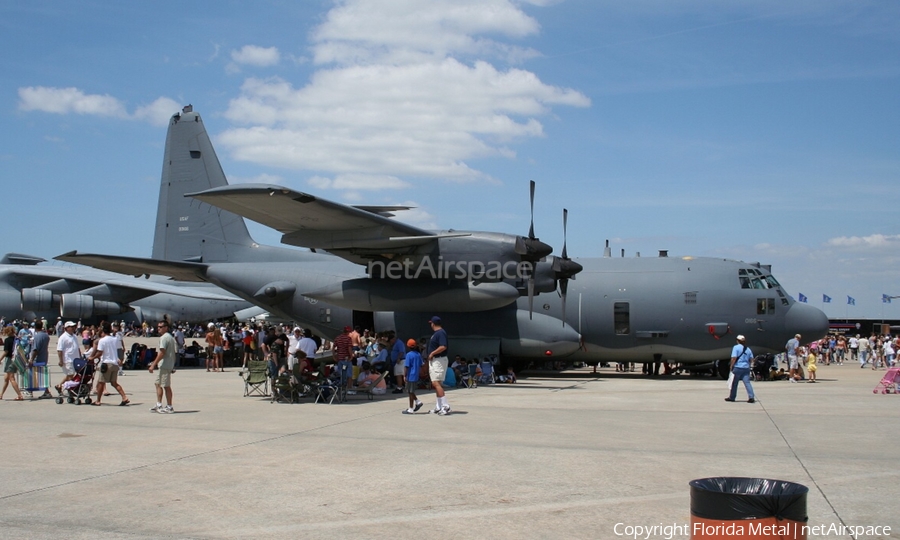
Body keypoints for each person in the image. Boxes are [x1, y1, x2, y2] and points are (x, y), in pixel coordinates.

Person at [89, 323, 129, 406]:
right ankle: (124, 397)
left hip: (106, 364)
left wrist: (92, 358)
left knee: (101, 382)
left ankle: (98, 401)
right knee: (114, 383)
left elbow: (100, 352)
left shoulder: (102, 340)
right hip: (115, 364)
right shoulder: (114, 339)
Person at [148, 320, 177, 413]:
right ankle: (159, 404)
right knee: (158, 384)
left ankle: (169, 406)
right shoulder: (170, 337)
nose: (158, 329)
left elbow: (162, 352)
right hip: (166, 365)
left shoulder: (164, 338)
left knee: (166, 386)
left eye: (161, 327)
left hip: (165, 365)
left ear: (166, 328)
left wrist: (153, 364)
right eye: (158, 327)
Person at [426, 316, 450, 415]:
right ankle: (438, 406)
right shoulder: (438, 333)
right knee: (436, 384)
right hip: (436, 361)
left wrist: (432, 353)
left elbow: (443, 346)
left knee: (436, 383)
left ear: (433, 324)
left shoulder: (440, 333)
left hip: (438, 360)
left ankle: (445, 405)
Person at [724, 335, 755, 403]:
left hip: (738, 367)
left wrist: (731, 366)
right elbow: (752, 359)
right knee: (747, 383)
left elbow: (734, 358)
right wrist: (749, 365)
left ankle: (732, 397)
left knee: (734, 383)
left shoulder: (736, 347)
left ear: (737, 341)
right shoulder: (748, 349)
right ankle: (751, 397)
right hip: (746, 367)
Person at [28, 320, 53, 399]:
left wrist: (31, 359)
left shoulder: (37, 336)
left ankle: (30, 391)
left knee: (31, 375)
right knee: (42, 375)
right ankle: (46, 391)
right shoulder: (46, 335)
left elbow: (35, 349)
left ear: (35, 327)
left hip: (37, 359)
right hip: (44, 357)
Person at [55, 321, 82, 394]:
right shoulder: (63, 337)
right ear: (66, 328)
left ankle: (59, 385)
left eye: (74, 326)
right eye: (71, 327)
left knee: (71, 375)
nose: (73, 328)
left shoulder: (74, 336)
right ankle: (69, 389)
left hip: (76, 359)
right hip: (68, 359)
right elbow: (59, 350)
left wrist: (80, 357)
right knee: (70, 375)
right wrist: (61, 360)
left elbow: (77, 348)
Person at [0, 326, 24, 400]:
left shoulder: (7, 340)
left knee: (11, 378)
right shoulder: (16, 339)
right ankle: (1, 395)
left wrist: (0, 359)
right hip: (15, 359)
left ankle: (20, 395)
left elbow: (6, 351)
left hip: (9, 360)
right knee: (6, 378)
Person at [403, 339, 424, 414]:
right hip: (416, 374)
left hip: (410, 375)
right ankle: (412, 406)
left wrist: (404, 375)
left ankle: (416, 403)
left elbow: (406, 366)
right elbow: (421, 365)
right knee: (411, 391)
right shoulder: (418, 354)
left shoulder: (408, 355)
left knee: (410, 391)